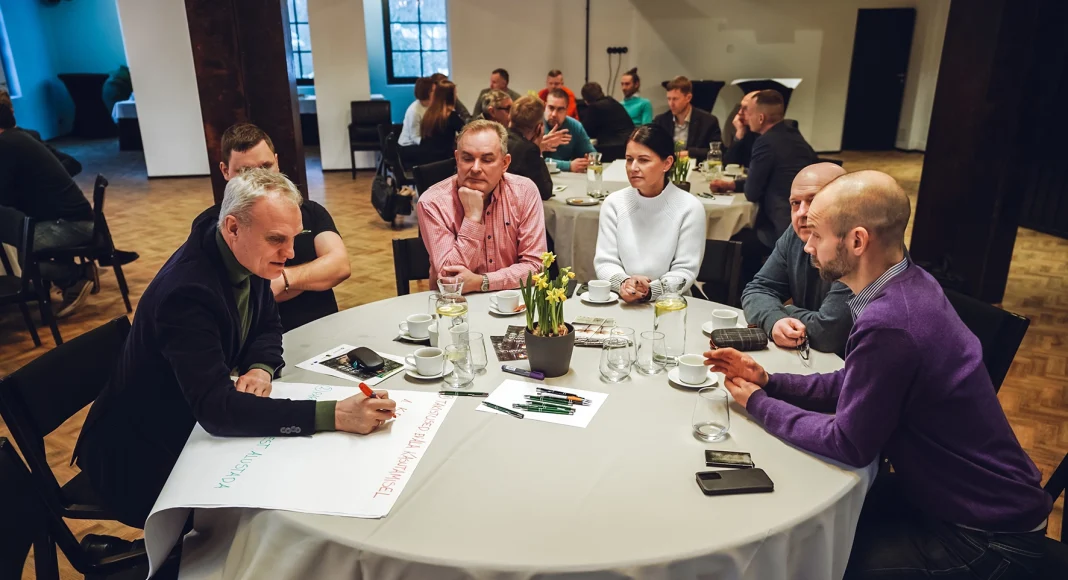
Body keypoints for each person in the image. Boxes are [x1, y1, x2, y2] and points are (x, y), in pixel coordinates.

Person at [705, 171, 1051, 579]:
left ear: (857, 241)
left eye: (817, 234)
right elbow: (854, 381)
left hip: (985, 534)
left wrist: (758, 403)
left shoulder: (891, 321)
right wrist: (770, 381)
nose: (807, 245)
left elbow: (848, 442)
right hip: (955, 497)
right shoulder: (909, 282)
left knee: (814, 561)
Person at [74, 169, 397, 528]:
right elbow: (217, 411)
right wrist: (334, 414)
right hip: (139, 456)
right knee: (272, 508)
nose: (290, 253)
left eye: (294, 238)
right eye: (277, 239)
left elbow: (267, 322)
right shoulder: (186, 295)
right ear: (232, 228)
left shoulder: (242, 250)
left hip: (189, 420)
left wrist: (260, 365)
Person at [194, 123, 351, 331]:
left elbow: (340, 266)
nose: (260, 177)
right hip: (258, 338)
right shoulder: (212, 224)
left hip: (322, 329)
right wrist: (312, 276)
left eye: (266, 166)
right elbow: (238, 296)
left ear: (277, 162)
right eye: (246, 171)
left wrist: (284, 279)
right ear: (225, 171)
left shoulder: (310, 211)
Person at [417, 120, 547, 294]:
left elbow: (536, 266)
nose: (476, 168)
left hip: (512, 301)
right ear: (457, 159)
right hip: (455, 305)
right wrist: (472, 218)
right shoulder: (432, 203)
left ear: (505, 163)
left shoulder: (524, 191)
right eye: (467, 158)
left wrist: (482, 282)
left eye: (487, 160)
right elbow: (449, 279)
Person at [741, 163, 851, 354]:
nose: (802, 213)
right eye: (795, 203)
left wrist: (787, 310)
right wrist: (775, 320)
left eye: (813, 201)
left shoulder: (856, 246)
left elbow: (828, 333)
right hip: (808, 358)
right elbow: (758, 289)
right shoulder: (796, 234)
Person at [0, 97, 96, 317]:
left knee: (27, 259)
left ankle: (76, 276)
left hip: (72, 225)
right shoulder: (17, 137)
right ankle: (73, 277)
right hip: (73, 219)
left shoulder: (6, 144)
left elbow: (4, 194)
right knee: (23, 244)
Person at [712, 90, 819, 281]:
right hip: (810, 219)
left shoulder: (765, 142)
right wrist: (732, 185)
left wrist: (741, 186)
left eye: (749, 112)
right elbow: (775, 177)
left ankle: (736, 288)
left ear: (760, 118)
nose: (745, 116)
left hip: (781, 226)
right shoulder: (794, 135)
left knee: (731, 239)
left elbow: (752, 193)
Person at [594, 125, 706, 303]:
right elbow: (605, 262)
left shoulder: (689, 207)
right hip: (622, 300)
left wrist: (650, 291)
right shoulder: (614, 203)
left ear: (667, 163)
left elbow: (685, 270)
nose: (633, 168)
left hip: (671, 303)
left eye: (644, 160)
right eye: (629, 159)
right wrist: (625, 284)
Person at [653, 76, 720, 160]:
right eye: (669, 99)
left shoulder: (708, 121)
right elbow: (652, 148)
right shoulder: (660, 121)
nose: (671, 104)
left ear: (688, 98)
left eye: (675, 99)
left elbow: (717, 150)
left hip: (696, 166)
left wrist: (689, 153)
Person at [506, 95, 553, 201]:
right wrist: (538, 150)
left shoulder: (497, 137)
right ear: (539, 128)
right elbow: (545, 192)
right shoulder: (529, 150)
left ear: (510, 118)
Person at [542, 88, 595, 173]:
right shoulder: (534, 124)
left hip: (566, 177)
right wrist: (568, 166)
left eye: (560, 109)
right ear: (545, 106)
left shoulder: (575, 126)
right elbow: (532, 161)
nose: (554, 114)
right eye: (551, 108)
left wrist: (588, 161)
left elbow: (592, 155)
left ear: (566, 110)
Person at [419, 79, 466, 164]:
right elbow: (466, 132)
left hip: (426, 163)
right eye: (455, 93)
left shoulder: (428, 114)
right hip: (444, 162)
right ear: (451, 96)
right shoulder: (451, 115)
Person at [579, 82, 634, 150]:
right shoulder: (612, 101)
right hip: (629, 143)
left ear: (586, 100)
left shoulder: (594, 107)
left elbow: (585, 131)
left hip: (613, 147)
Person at [723, 90, 759, 167]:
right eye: (740, 107)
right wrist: (739, 134)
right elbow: (728, 165)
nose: (740, 112)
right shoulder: (745, 129)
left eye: (746, 108)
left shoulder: (773, 136)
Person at [398, 77, 433, 147]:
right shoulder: (414, 111)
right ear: (427, 92)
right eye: (433, 90)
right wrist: (429, 145)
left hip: (421, 141)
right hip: (408, 145)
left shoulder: (431, 106)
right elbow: (415, 137)